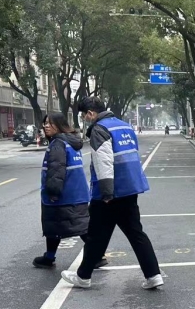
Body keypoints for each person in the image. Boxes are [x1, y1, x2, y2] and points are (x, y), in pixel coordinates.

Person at [61, 97, 164, 290]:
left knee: (96, 234)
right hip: (130, 188)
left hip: (109, 192)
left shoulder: (99, 129)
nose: (85, 119)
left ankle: (83, 276)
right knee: (133, 233)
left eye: (85, 115)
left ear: (91, 113)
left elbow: (104, 162)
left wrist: (107, 194)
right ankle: (153, 274)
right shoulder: (124, 126)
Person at [33, 114, 90, 267]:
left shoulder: (58, 143)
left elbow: (56, 171)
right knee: (61, 227)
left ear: (59, 125)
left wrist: (53, 192)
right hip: (78, 194)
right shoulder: (70, 142)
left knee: (76, 228)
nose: (46, 126)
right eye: (45, 123)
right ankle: (49, 256)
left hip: (64, 197)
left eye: (50, 124)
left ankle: (96, 255)